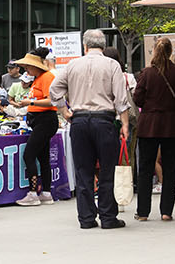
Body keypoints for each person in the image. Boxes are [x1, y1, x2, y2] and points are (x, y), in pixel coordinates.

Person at [51, 30, 133, 229]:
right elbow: (121, 99)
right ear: (103, 47)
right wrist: (124, 124)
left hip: (79, 121)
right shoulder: (112, 65)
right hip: (104, 121)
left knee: (83, 170)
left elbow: (54, 90)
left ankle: (86, 218)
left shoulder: (72, 65)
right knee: (107, 170)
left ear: (84, 46)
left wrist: (64, 110)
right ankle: (107, 217)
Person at [133, 37, 175, 222]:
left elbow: (137, 99)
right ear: (170, 52)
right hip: (173, 124)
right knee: (170, 168)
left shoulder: (146, 73)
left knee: (145, 169)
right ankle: (166, 211)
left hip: (149, 125)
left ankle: (143, 212)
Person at [10, 47, 57, 207]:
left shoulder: (46, 78)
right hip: (41, 120)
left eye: (28, 67)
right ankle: (46, 193)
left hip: (45, 120)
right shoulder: (39, 78)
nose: (26, 69)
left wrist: (30, 102)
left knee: (29, 155)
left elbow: (51, 100)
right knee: (42, 157)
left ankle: (33, 192)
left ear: (36, 66)